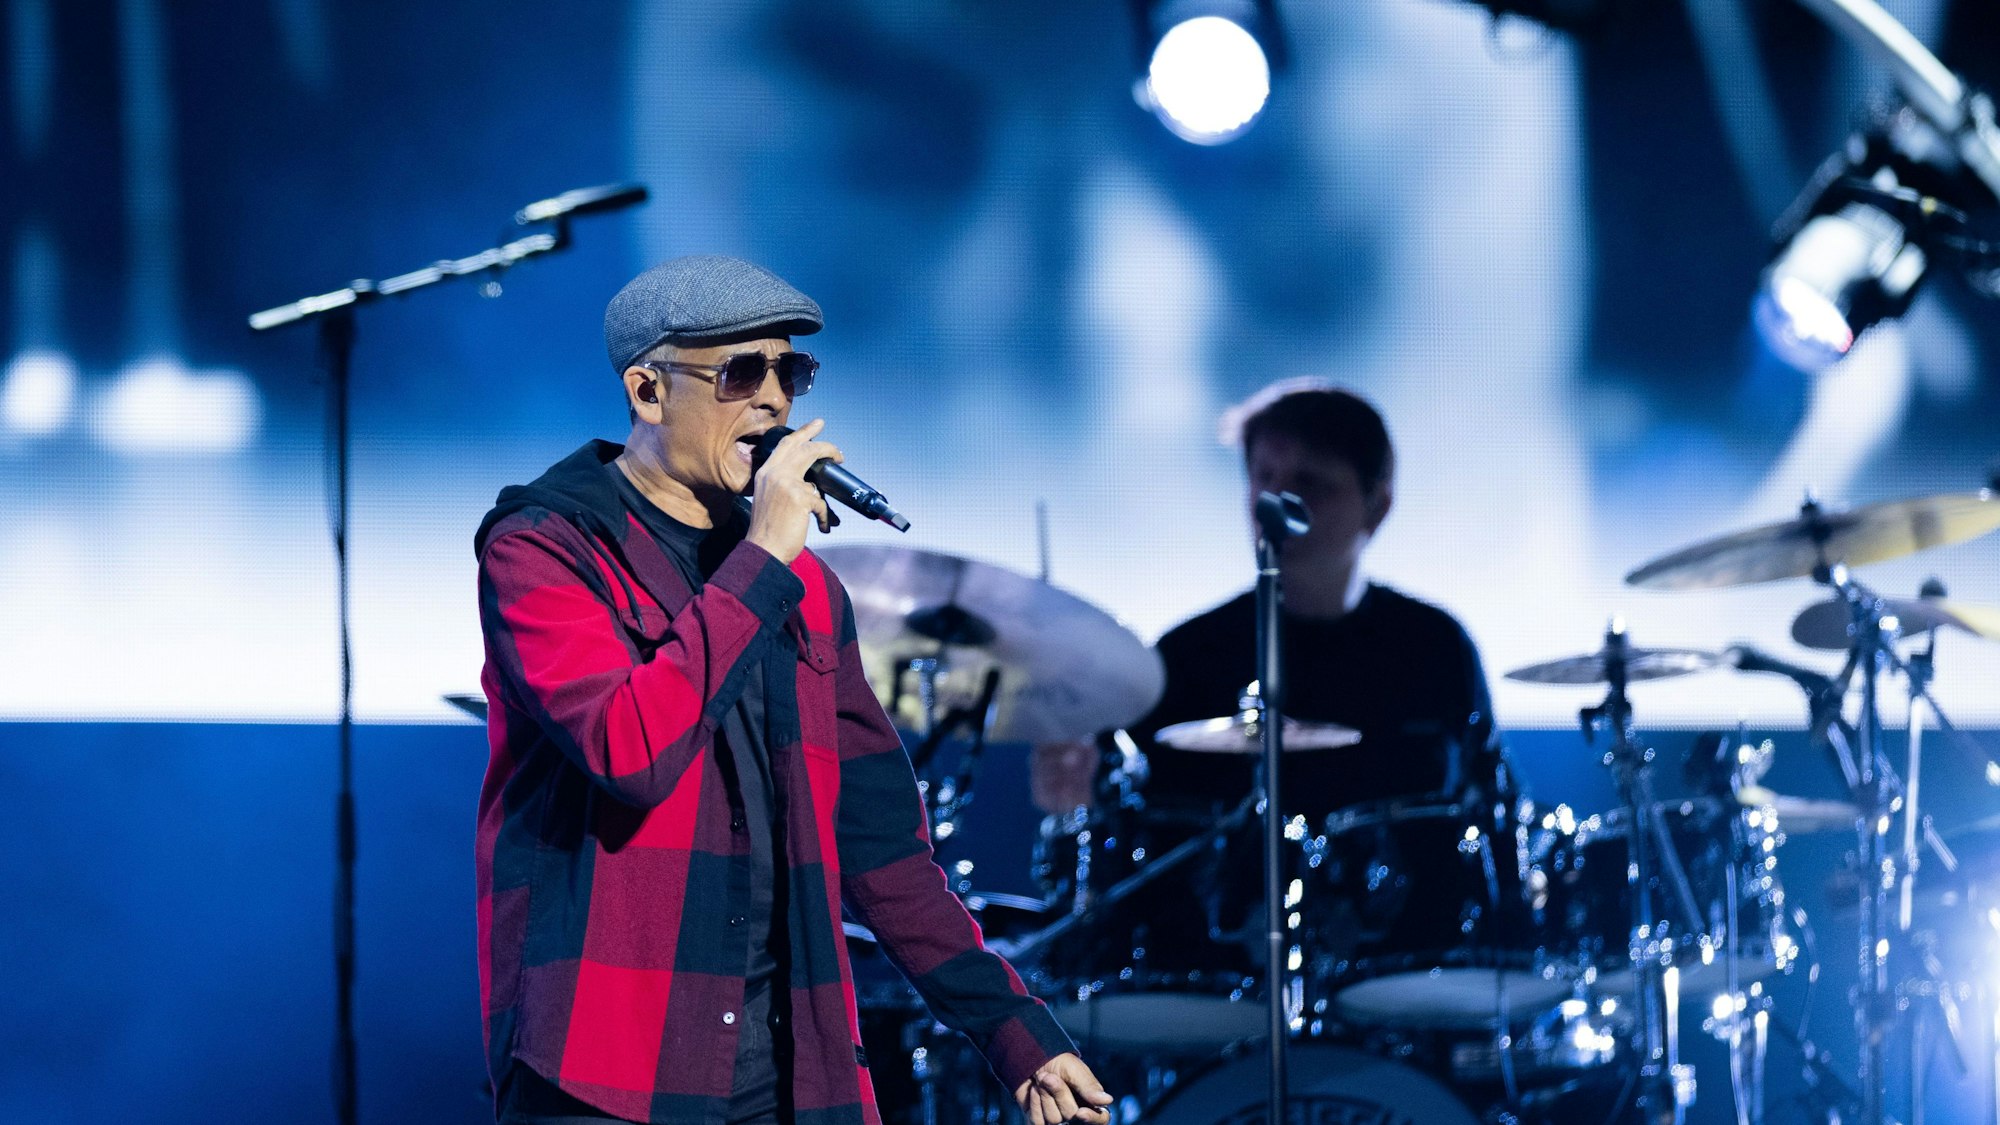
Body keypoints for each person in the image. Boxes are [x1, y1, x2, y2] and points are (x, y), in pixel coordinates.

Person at [475, 255, 1111, 1125]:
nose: (775, 401)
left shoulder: (808, 593)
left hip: (789, 1072)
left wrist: (1018, 1034)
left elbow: (884, 850)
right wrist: (762, 558)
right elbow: (630, 751)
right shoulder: (547, 546)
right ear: (648, 390)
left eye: (791, 371)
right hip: (609, 1067)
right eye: (742, 372)